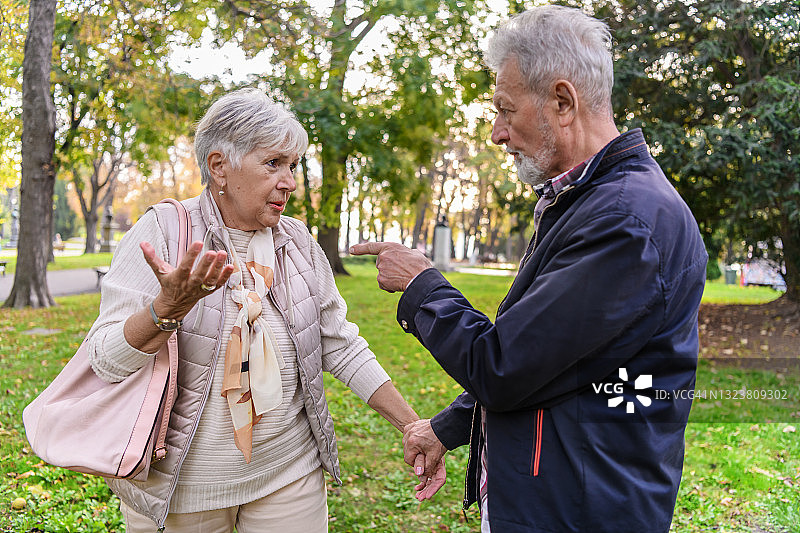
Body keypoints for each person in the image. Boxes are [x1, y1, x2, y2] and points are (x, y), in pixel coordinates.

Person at [351, 6, 707, 533]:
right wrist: (449, 426)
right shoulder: (590, 203)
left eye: (505, 109)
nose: (497, 133)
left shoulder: (624, 223)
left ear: (563, 102)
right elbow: (552, 360)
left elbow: (503, 367)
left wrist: (421, 285)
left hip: (578, 514)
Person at [85, 88, 421, 532]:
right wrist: (164, 310)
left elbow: (339, 345)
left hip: (289, 475)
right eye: (273, 163)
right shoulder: (163, 232)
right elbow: (105, 360)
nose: (290, 182)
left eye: (293, 165)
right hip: (183, 491)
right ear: (219, 166)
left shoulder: (298, 243)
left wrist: (412, 425)